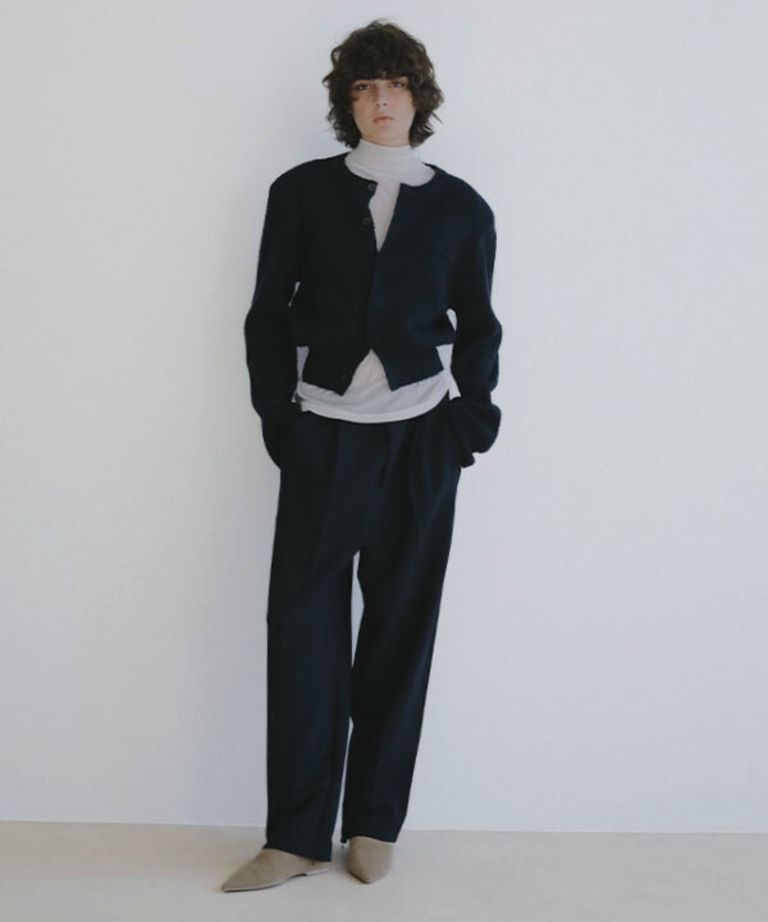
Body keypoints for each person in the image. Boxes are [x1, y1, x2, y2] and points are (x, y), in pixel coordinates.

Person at [221, 18, 502, 893]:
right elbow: (268, 314)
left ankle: (374, 824)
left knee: (400, 630)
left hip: (422, 440)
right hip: (324, 434)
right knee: (303, 632)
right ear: (348, 104)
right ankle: (296, 836)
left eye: (395, 85)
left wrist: (468, 424)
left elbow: (480, 326)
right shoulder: (301, 193)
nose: (381, 101)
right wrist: (281, 419)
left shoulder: (462, 209)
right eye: (364, 88)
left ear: (420, 97)